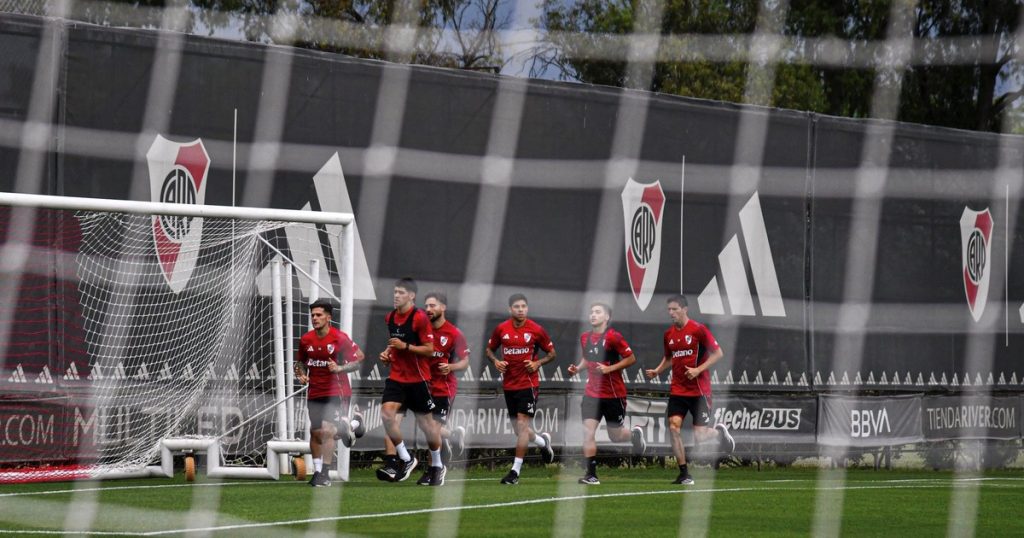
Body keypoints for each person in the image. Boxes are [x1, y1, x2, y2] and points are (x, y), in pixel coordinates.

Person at [645, 294, 735, 485]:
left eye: (675, 309)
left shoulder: (698, 330)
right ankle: (684, 473)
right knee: (674, 428)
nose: (671, 313)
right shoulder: (668, 334)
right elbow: (669, 358)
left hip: (699, 391)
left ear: (685, 309)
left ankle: (719, 433)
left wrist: (698, 370)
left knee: (700, 436)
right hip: (678, 390)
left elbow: (718, 353)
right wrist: (657, 370)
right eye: (669, 309)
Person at [566, 302, 646, 485]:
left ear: (606, 317)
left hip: (613, 394)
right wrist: (577, 369)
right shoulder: (585, 337)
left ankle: (634, 435)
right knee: (588, 432)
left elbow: (631, 358)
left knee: (615, 436)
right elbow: (588, 358)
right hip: (592, 393)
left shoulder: (613, 337)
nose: (593, 315)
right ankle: (591, 474)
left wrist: (610, 369)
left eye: (598, 312)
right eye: (591, 312)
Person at [375, 277, 446, 486]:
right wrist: (387, 353)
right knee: (387, 415)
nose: (396, 296)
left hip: (418, 380)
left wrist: (405, 347)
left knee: (429, 427)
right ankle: (406, 458)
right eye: (395, 292)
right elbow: (394, 345)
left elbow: (429, 350)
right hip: (397, 378)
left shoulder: (420, 318)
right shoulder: (390, 317)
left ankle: (437, 466)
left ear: (412, 296)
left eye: (401, 292)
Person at [486, 293, 557, 485]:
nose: (521, 309)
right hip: (509, 385)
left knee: (522, 425)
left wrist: (537, 363)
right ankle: (543, 443)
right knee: (520, 431)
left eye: (524, 306)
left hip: (528, 384)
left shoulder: (536, 329)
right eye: (517, 306)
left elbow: (552, 353)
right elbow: (489, 349)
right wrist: (496, 362)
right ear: (510, 309)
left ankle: (514, 472)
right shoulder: (501, 329)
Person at [294, 299, 364, 487]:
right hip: (315, 392)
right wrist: (300, 374)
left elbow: (359, 359)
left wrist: (340, 368)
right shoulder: (306, 339)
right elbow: (299, 362)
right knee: (315, 433)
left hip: (337, 391)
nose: (314, 318)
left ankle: (325, 474)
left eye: (318, 315)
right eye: (313, 315)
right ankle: (355, 424)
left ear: (328, 317)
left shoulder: (339, 337)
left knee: (328, 431)